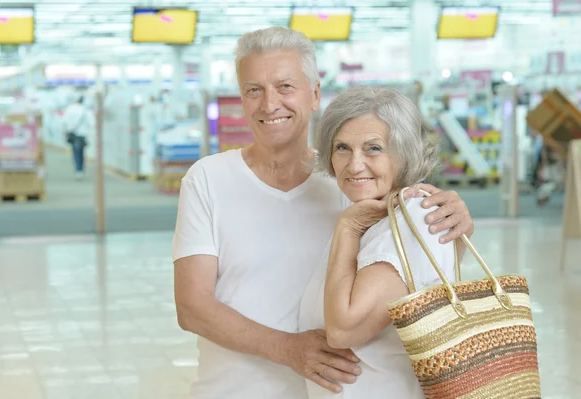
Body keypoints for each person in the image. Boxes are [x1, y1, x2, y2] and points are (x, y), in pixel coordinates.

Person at [172, 27, 474, 399]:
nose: (269, 105)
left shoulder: (350, 181)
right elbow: (191, 307)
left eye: (285, 87)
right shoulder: (208, 179)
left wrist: (455, 225)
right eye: (254, 90)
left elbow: (413, 268)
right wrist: (288, 349)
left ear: (314, 94)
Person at [299, 87, 460, 398]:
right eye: (342, 147)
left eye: (373, 148)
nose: (354, 164)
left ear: (404, 154)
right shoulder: (381, 217)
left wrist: (347, 228)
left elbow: (343, 330)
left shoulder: (411, 221)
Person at [63, 95, 90, 180]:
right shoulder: (84, 109)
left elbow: (64, 121)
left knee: (75, 152)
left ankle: (78, 169)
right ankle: (81, 168)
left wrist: (67, 130)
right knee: (81, 152)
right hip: (82, 134)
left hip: (73, 134)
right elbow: (90, 122)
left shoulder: (69, 109)